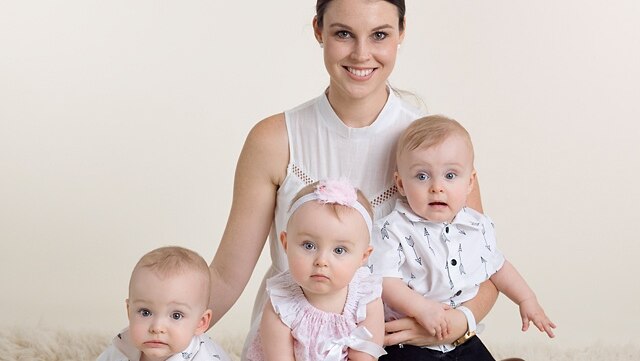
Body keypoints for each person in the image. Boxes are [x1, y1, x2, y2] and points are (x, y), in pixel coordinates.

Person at [208, 1, 500, 359]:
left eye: (379, 35)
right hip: (291, 343)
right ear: (319, 30)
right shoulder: (274, 139)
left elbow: (483, 267)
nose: (362, 54)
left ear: (401, 33)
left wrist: (458, 321)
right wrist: (156, 333)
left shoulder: (433, 147)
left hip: (396, 344)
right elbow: (225, 276)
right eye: (343, 33)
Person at [369, 115, 556, 360]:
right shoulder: (392, 229)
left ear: (469, 183)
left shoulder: (475, 225)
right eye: (422, 176)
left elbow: (497, 267)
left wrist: (526, 298)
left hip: (460, 337)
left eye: (450, 176)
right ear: (401, 184)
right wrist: (422, 309)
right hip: (407, 341)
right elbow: (385, 281)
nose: (437, 187)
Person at [245, 179, 386, 361]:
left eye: (339, 250)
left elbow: (365, 356)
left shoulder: (366, 297)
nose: (321, 261)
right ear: (286, 244)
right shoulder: (281, 306)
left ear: (363, 257)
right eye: (309, 245)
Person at [97, 246, 231, 361]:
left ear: (200, 322)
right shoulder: (123, 347)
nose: (157, 327)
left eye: (176, 315)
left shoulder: (205, 357)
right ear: (129, 311)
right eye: (145, 312)